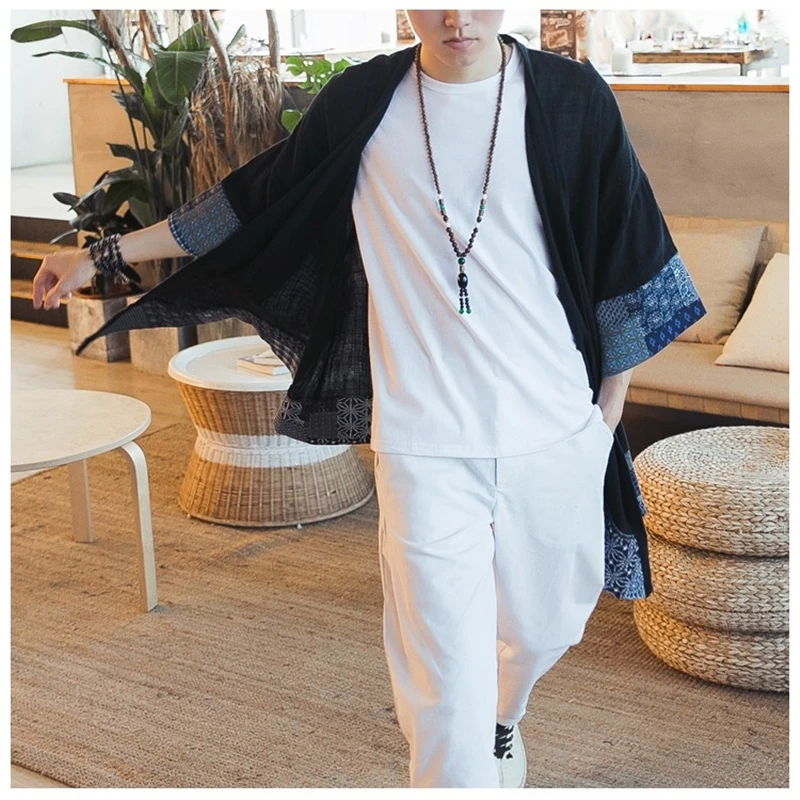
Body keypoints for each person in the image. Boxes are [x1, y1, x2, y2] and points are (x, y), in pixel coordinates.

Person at [32, 9, 705, 789]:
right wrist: (103, 254)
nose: (455, 17)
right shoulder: (363, 102)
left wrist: (603, 420)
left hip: (555, 426)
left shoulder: (571, 98)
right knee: (442, 673)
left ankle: (503, 717)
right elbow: (244, 202)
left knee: (545, 627)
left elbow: (627, 252)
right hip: (422, 443)